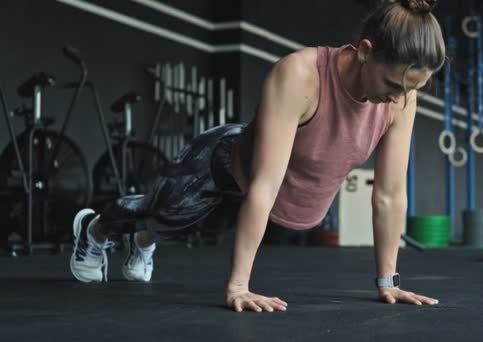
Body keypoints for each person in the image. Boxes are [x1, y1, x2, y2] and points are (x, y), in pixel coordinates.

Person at [69, 0, 446, 313]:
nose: (399, 97)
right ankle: (95, 228)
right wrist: (239, 287)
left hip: (259, 196)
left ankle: (145, 240)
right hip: (220, 165)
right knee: (164, 211)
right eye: (393, 85)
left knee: (181, 227)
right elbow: (265, 185)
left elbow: (390, 194)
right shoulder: (300, 75)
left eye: (411, 90)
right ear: (365, 52)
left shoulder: (402, 98)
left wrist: (389, 283)